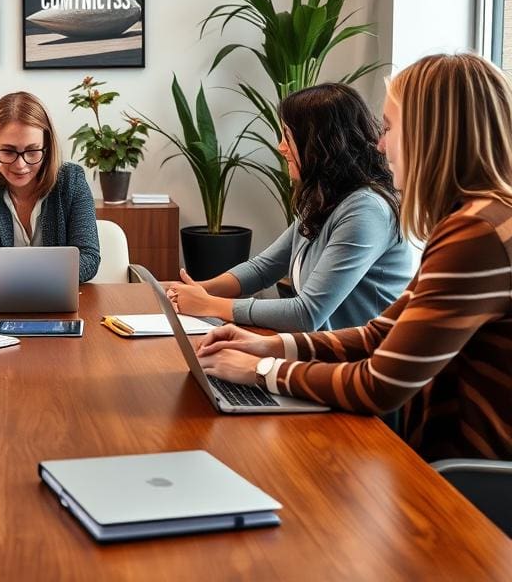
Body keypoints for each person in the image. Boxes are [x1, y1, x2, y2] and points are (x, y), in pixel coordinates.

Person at [196, 54, 512, 461]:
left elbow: (380, 384)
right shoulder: (480, 219)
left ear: (430, 133)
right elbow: (378, 335)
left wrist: (260, 372)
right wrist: (271, 348)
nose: (380, 144)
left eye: (388, 128)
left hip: (469, 482)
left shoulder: (478, 233)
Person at [168, 83, 412, 332]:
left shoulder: (365, 210)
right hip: (322, 353)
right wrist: (196, 290)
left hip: (357, 363)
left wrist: (209, 305)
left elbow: (306, 314)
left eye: (288, 135)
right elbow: (263, 268)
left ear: (320, 144)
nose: (281, 146)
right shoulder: (326, 199)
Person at [0, 91, 100, 285]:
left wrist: (11, 276)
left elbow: (89, 258)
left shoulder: (71, 181)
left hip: (57, 304)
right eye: (8, 151)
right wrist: (47, 275)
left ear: (47, 147)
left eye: (32, 151)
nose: (20, 165)